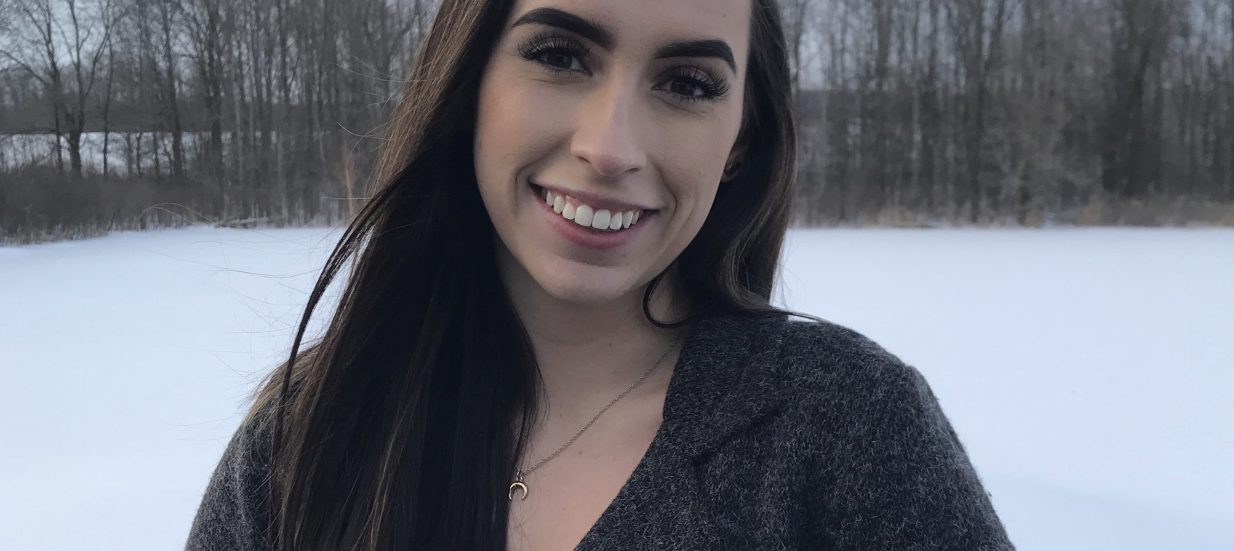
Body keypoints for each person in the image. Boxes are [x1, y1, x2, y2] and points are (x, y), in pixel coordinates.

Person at [186, 0, 1014, 549]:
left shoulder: (848, 429)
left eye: (687, 84)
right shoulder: (304, 441)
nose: (609, 147)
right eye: (560, 55)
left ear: (739, 146)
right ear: (470, 84)